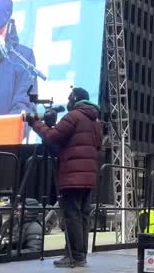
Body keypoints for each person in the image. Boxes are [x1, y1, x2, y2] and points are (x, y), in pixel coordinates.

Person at [26, 87, 103, 267]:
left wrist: (35, 123)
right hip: (88, 177)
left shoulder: (74, 116)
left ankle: (73, 256)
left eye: (69, 98)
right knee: (83, 217)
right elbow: (94, 146)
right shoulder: (96, 121)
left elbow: (52, 137)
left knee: (72, 216)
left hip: (72, 176)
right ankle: (80, 255)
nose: (68, 102)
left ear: (75, 99)